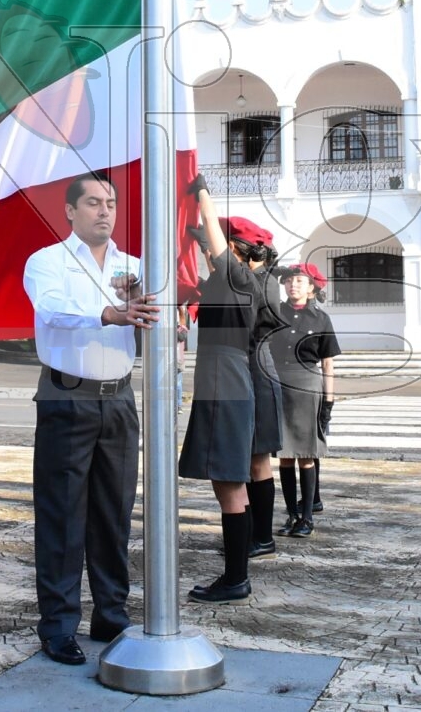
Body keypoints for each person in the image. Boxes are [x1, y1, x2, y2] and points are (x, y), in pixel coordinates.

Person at [22, 172, 157, 666]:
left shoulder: (134, 267)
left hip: (118, 399)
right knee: (62, 516)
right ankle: (59, 626)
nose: (105, 211)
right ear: (70, 211)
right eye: (94, 202)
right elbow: (52, 310)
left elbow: (165, 319)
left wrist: (148, 302)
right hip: (67, 398)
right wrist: (109, 313)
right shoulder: (47, 261)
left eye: (111, 203)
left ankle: (111, 614)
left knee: (113, 513)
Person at [177, 174, 268, 605]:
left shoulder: (240, 280)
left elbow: (215, 242)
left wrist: (202, 193)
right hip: (222, 381)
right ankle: (235, 575)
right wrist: (193, 231)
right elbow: (207, 245)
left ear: (236, 251)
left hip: (225, 384)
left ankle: (235, 579)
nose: (208, 250)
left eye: (218, 247)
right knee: (225, 482)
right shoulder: (225, 281)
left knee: (230, 482)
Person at [268, 263, 342, 538]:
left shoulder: (321, 319)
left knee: (307, 456)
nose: (293, 285)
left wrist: (328, 402)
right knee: (285, 457)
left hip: (307, 387)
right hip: (278, 385)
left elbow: (328, 364)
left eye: (299, 281)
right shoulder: (275, 313)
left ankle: (307, 518)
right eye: (289, 280)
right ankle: (291, 514)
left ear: (311, 288)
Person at [244, 238, 286, 561]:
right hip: (249, 368)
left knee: (258, 459)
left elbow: (254, 322)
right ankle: (252, 534)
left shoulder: (264, 280)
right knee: (248, 460)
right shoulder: (256, 279)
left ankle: (262, 537)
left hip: (258, 371)